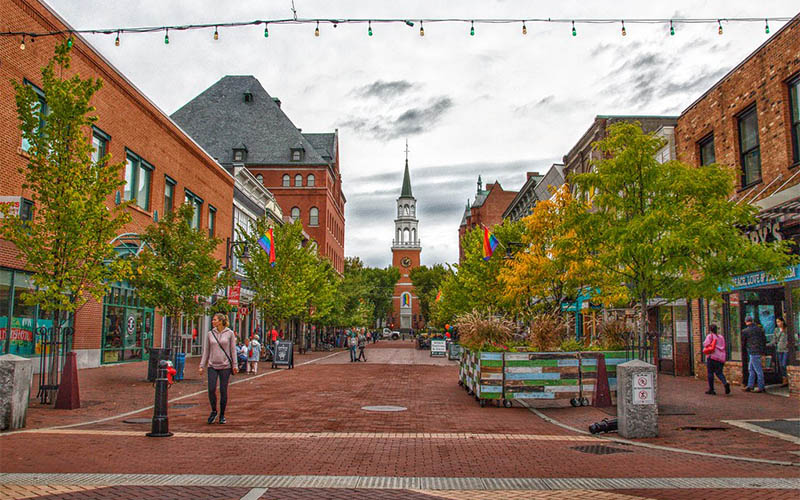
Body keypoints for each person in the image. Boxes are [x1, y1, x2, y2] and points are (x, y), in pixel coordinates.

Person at [198, 313, 237, 424]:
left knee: (223, 390)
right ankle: (214, 410)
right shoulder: (210, 334)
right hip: (212, 365)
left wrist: (235, 365)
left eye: (215, 320)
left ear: (220, 321)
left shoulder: (230, 334)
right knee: (211, 389)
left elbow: (233, 350)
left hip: (225, 366)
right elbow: (206, 350)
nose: (212, 321)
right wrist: (202, 365)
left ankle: (222, 415)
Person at [741, 316, 767, 393]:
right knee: (751, 369)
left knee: (758, 370)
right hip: (758, 350)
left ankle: (761, 386)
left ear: (746, 322)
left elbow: (743, 342)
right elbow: (764, 339)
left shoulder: (745, 331)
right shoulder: (759, 329)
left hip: (752, 351)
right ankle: (750, 385)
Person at [703, 324, 729, 395]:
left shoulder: (710, 336)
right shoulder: (721, 337)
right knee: (719, 372)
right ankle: (725, 383)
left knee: (710, 373)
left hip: (712, 356)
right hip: (721, 357)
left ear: (710, 329)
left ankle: (711, 389)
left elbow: (705, 344)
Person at [769, 317, 789, 386]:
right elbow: (774, 340)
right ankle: (784, 379)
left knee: (784, 364)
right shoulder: (776, 330)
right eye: (777, 322)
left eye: (779, 321)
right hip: (779, 349)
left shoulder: (787, 329)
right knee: (781, 365)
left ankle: (787, 378)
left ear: (782, 322)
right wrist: (768, 344)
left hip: (786, 349)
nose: (778, 323)